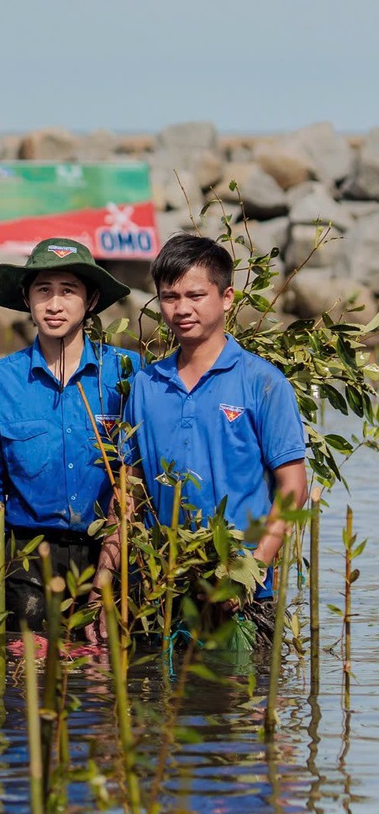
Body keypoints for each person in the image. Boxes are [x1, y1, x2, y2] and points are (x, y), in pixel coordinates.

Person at [122, 234, 308, 624]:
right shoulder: (146, 384)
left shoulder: (263, 382)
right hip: (164, 585)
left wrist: (254, 568)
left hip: (244, 587)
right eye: (170, 297)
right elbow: (132, 483)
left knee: (244, 685)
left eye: (195, 295)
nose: (181, 309)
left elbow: (294, 489)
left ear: (226, 297)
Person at [0, 238, 141, 630]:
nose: (54, 304)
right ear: (27, 300)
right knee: (23, 678)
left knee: (104, 674)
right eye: (43, 291)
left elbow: (135, 481)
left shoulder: (128, 373)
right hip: (26, 557)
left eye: (68, 291)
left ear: (92, 299)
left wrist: (108, 571)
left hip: (109, 548)